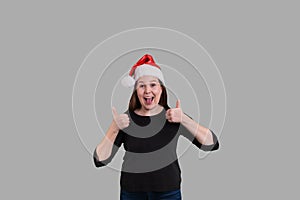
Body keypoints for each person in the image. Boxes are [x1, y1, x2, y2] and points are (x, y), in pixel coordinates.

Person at [93, 54, 219, 200]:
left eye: (153, 84)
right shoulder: (125, 120)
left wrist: (184, 119)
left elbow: (211, 144)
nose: (147, 91)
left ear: (161, 89)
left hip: (168, 193)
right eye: (142, 86)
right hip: (132, 193)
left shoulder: (174, 116)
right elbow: (100, 160)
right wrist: (114, 128)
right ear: (136, 91)